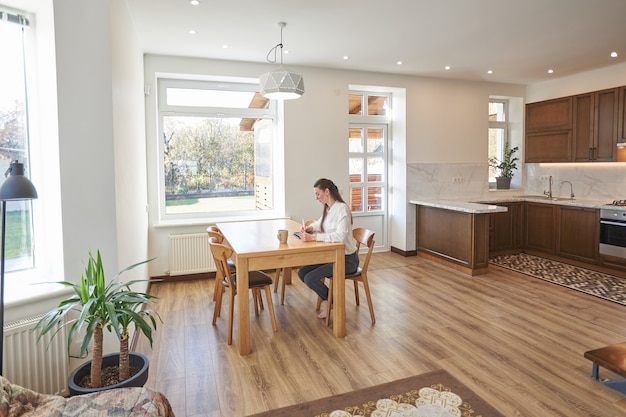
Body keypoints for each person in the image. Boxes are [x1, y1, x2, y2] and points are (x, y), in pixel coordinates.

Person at [298, 178, 359, 319]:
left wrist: (314, 238)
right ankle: (331, 300)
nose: (316, 198)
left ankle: (334, 303)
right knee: (303, 273)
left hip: (346, 260)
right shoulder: (329, 208)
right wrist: (310, 228)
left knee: (310, 278)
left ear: (327, 191)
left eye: (318, 194)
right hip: (331, 257)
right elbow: (320, 224)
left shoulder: (342, 209)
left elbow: (340, 237)